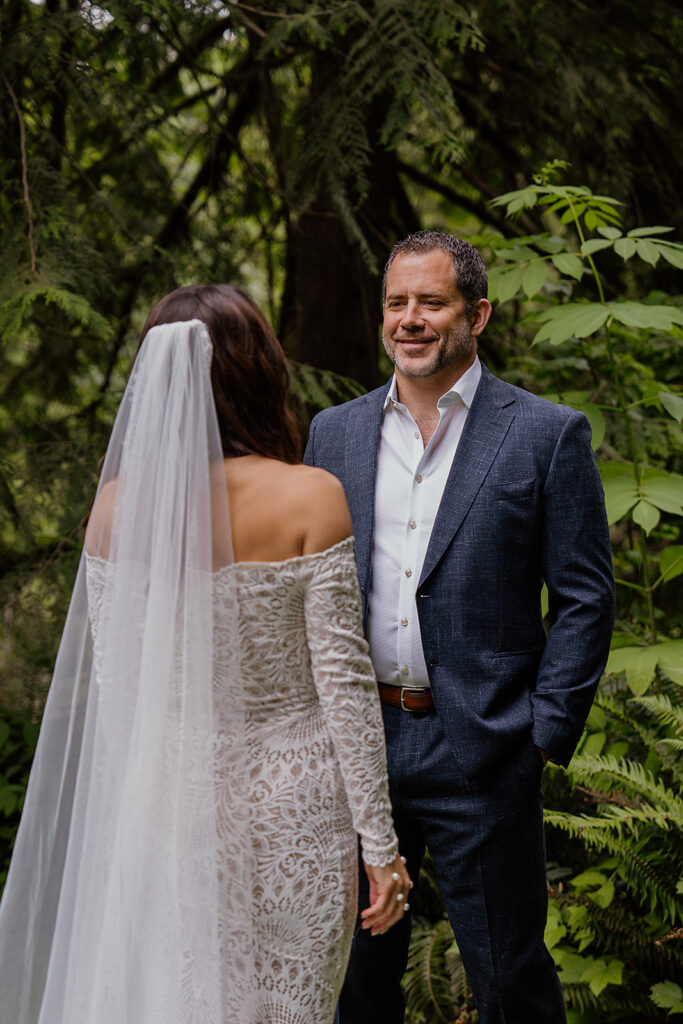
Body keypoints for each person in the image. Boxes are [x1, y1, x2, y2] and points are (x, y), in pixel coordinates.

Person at [0, 284, 410, 1024]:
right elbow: (345, 692)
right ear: (258, 372)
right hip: (298, 810)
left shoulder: (116, 509)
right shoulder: (311, 497)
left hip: (174, 804)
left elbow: (122, 695)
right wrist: (381, 847)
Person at [304, 231, 616, 1024]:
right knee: (355, 978)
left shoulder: (545, 433)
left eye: (430, 302)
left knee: (507, 978)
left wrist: (541, 733)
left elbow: (584, 597)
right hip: (359, 740)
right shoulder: (332, 433)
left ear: (475, 313)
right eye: (396, 303)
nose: (409, 319)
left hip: (483, 744)